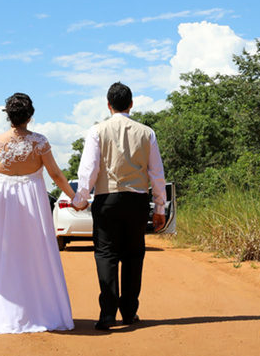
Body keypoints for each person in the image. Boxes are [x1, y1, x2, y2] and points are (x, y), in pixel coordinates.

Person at [0, 92, 76, 334]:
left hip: (2, 198)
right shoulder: (40, 142)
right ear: (30, 116)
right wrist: (75, 197)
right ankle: (40, 309)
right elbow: (55, 174)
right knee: (36, 251)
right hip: (32, 198)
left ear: (8, 116)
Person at [72, 82, 167, 331]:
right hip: (137, 200)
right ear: (131, 104)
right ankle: (129, 312)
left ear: (108, 104)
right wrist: (159, 208)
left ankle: (107, 315)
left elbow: (89, 170)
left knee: (106, 254)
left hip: (107, 198)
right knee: (134, 256)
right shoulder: (147, 133)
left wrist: (81, 199)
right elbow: (156, 172)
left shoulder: (97, 131)